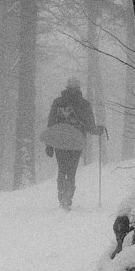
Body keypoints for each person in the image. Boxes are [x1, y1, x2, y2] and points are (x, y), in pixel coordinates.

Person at [43, 77, 101, 210]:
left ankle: (62, 197)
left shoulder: (58, 103)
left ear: (67, 87)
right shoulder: (84, 104)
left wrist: (49, 144)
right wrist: (99, 130)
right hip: (76, 141)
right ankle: (68, 198)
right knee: (72, 170)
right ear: (79, 88)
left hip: (60, 141)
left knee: (62, 168)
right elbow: (90, 126)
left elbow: (51, 124)